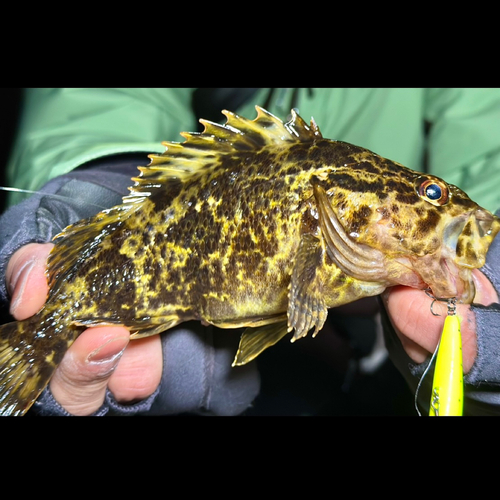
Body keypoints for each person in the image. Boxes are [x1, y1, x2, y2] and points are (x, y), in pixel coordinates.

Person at [1, 88, 500, 416]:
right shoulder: (319, 213)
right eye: (430, 195)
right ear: (339, 201)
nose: (436, 204)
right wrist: (103, 172)